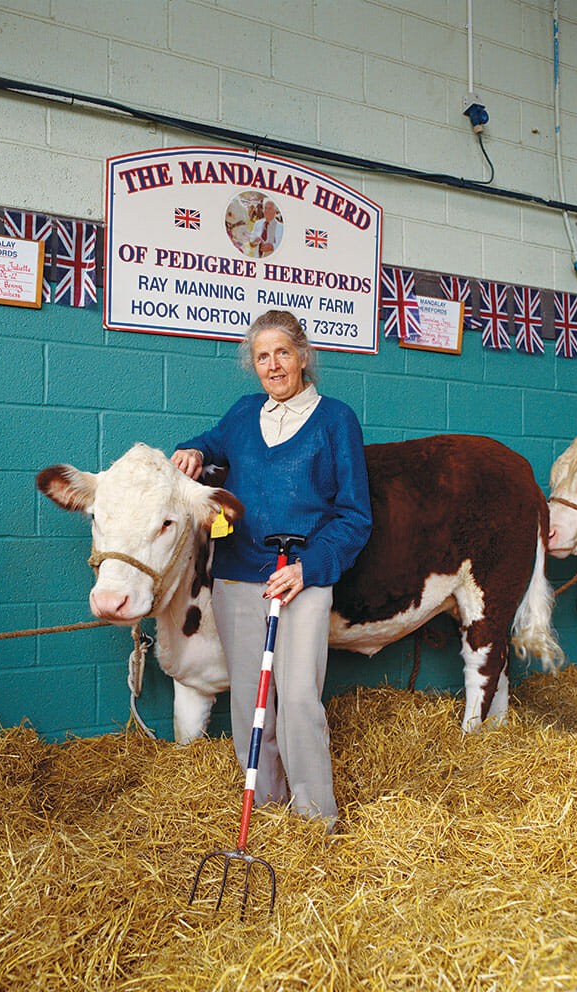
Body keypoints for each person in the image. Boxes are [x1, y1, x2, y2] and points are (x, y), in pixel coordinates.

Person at [171, 310, 372, 829]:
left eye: (283, 352)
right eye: (262, 356)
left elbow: (355, 516)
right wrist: (192, 450)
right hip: (237, 577)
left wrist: (310, 568)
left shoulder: (336, 420)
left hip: (300, 579)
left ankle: (314, 818)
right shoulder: (243, 414)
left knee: (299, 698)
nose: (273, 365)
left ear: (303, 356)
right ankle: (264, 808)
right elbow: (213, 442)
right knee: (249, 698)